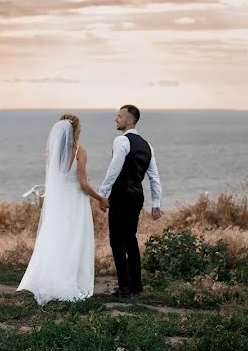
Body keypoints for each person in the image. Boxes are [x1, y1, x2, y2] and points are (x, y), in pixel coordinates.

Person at [17, 114, 110, 305]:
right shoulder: (79, 151)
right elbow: (83, 183)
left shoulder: (51, 152)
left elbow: (54, 180)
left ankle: (51, 280)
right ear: (76, 130)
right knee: (75, 240)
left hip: (59, 202)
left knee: (58, 239)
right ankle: (72, 281)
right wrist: (100, 198)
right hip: (76, 201)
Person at [98, 104, 163, 297]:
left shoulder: (121, 141)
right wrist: (156, 203)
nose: (116, 119)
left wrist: (102, 193)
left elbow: (114, 169)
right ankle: (136, 286)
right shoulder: (147, 146)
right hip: (137, 196)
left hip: (121, 195)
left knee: (116, 242)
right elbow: (154, 177)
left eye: (119, 116)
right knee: (131, 239)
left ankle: (124, 288)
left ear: (130, 120)